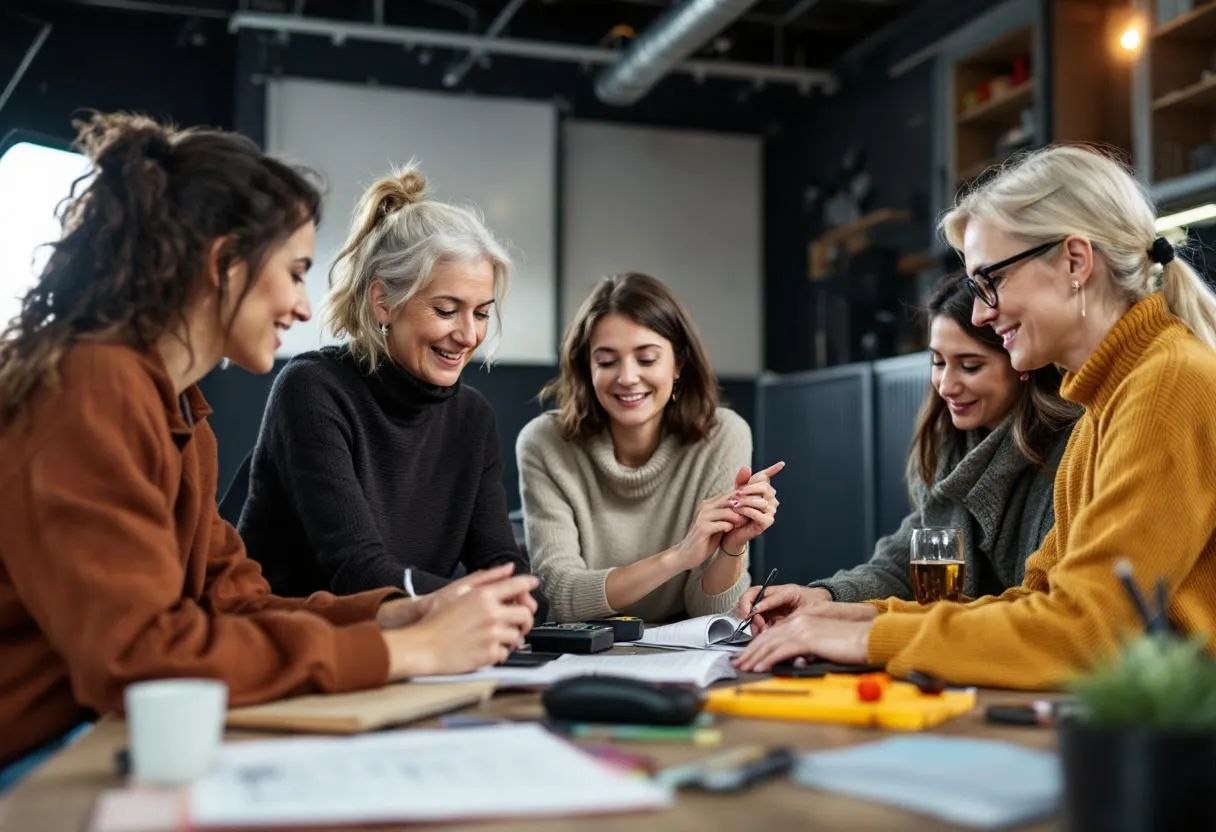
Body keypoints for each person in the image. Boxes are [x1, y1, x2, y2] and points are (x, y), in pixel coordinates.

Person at [0, 114, 536, 778]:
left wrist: (400, 616)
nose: (304, 308)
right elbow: (139, 659)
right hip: (39, 752)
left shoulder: (181, 412)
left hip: (101, 728)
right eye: (294, 271)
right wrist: (409, 653)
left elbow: (238, 601)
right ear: (223, 264)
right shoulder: (94, 386)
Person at [735, 145, 1216, 689]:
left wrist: (866, 639)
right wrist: (861, 616)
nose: (983, 311)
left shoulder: (1167, 384)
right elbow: (1039, 602)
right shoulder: (1107, 401)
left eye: (992, 281)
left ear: (1076, 262)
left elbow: (1083, 634)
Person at [238, 167, 543, 616]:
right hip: (293, 647)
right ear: (383, 302)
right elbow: (358, 573)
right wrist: (482, 603)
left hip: (408, 644)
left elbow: (500, 561)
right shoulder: (312, 390)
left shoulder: (472, 417)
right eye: (445, 310)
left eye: (481, 313)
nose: (468, 334)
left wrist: (522, 598)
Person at [735, 274, 1076, 624]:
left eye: (970, 366)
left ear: (1022, 362)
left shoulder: (1070, 450)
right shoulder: (949, 448)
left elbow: (1046, 606)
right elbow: (902, 566)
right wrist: (823, 595)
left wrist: (865, 622)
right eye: (938, 362)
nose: (946, 385)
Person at [517, 272, 781, 623]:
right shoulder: (544, 443)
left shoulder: (723, 435)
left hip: (681, 658)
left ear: (678, 364)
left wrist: (731, 547)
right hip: (580, 651)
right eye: (607, 361)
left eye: (646, 359)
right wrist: (678, 557)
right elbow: (560, 596)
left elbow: (713, 614)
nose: (626, 377)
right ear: (586, 368)